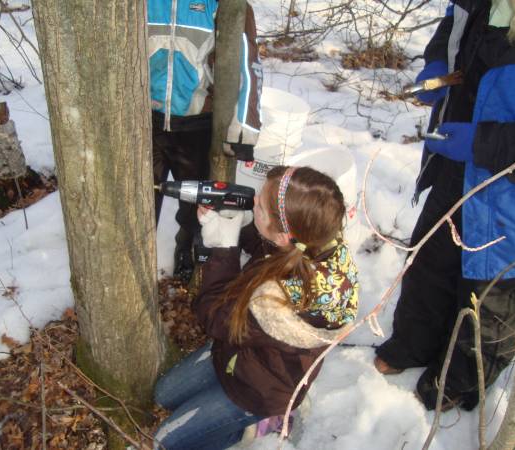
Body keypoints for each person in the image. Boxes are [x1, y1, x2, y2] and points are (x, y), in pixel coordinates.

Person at [375, 0, 515, 411]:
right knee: (431, 259)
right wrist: (436, 65)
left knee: (488, 291)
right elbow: (450, 32)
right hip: (456, 160)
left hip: (506, 187)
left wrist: (484, 144)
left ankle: (460, 380)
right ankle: (413, 343)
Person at [153, 166, 359, 449]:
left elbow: (214, 316)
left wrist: (222, 247)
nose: (252, 202)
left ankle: (256, 426)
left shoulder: (278, 305)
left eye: (259, 206)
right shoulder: (314, 241)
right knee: (163, 395)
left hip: (259, 390)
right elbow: (268, 247)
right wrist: (245, 223)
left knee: (164, 440)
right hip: (237, 353)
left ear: (283, 236)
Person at [147, 0, 263, 282]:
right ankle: (137, 257)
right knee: (142, 198)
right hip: (144, 120)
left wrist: (246, 124)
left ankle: (185, 248)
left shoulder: (224, 5)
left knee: (193, 203)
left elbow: (247, 63)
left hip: (196, 121)